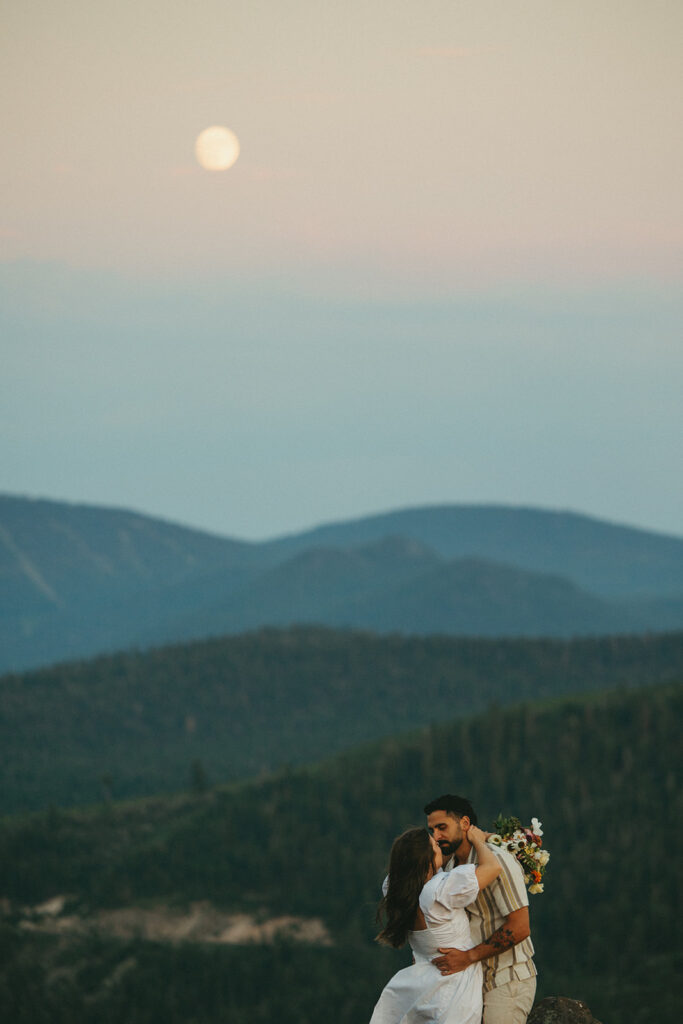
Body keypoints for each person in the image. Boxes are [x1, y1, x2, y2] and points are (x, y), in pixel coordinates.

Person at [370, 824, 502, 1023]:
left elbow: (425, 868)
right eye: (435, 845)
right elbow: (493, 868)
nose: (439, 845)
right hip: (454, 983)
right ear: (426, 861)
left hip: (421, 982)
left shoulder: (394, 887)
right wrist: (478, 841)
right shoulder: (438, 892)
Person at [424, 795, 536, 1024]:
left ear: (465, 824)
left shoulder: (498, 860)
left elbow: (520, 927)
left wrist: (468, 957)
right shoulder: (452, 866)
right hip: (472, 981)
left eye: (442, 827)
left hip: (508, 978)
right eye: (432, 830)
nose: (436, 836)